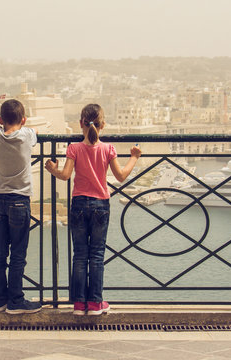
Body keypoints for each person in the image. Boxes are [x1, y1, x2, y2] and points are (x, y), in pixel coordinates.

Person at [45, 104, 141, 316]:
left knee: (80, 255)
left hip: (79, 204)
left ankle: (79, 304)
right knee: (96, 255)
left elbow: (65, 176)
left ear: (80, 124)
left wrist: (53, 169)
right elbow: (121, 176)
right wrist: (134, 157)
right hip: (100, 205)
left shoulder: (74, 148)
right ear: (103, 125)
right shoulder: (108, 149)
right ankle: (96, 303)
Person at [0, 99, 42, 314]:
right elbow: (33, 131)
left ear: (0, 119)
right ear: (24, 120)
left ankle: (0, 300)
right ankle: (16, 301)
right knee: (18, 254)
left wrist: (0, 126)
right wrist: (29, 127)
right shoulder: (27, 136)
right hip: (19, 201)